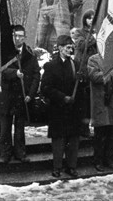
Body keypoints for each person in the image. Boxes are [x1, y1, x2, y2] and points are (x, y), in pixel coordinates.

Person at [0, 25, 39, 164]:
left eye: (20, 36)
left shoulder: (29, 54)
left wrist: (31, 94)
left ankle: (20, 153)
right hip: (6, 95)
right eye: (15, 36)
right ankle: (5, 154)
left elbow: (36, 74)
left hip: (22, 96)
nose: (18, 39)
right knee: (5, 127)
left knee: (20, 127)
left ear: (25, 37)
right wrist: (14, 74)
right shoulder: (4, 52)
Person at [40, 35, 82, 178]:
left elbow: (81, 87)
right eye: (67, 47)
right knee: (59, 139)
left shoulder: (76, 65)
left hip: (73, 109)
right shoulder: (51, 66)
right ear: (59, 48)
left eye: (72, 47)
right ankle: (57, 167)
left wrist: (82, 80)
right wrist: (62, 97)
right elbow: (45, 88)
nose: (70, 50)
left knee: (73, 139)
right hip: (58, 109)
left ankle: (71, 166)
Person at [88, 52, 113, 171]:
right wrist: (109, 74)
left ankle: (109, 159)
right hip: (102, 103)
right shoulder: (93, 59)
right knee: (101, 134)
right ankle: (98, 161)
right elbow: (93, 76)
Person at [75, 9, 97, 138]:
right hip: (84, 69)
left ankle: (88, 126)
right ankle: (83, 128)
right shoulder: (80, 32)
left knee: (91, 102)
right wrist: (94, 39)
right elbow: (81, 45)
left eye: (93, 18)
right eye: (89, 18)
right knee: (83, 102)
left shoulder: (97, 31)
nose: (91, 20)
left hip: (94, 68)